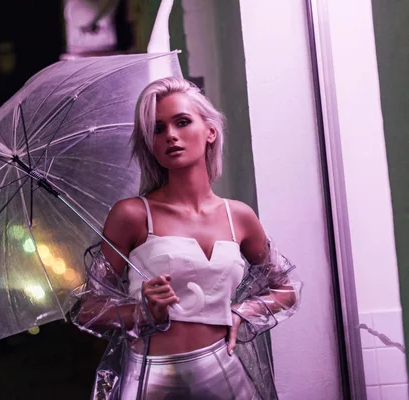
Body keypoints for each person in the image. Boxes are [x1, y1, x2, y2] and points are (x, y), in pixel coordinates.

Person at [71, 77, 301, 400]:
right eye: (158, 129)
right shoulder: (133, 215)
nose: (171, 136)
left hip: (227, 374)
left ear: (210, 132)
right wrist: (141, 311)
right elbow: (88, 308)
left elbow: (286, 290)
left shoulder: (239, 217)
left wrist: (242, 312)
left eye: (182, 122)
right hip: (152, 379)